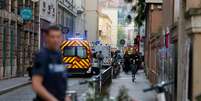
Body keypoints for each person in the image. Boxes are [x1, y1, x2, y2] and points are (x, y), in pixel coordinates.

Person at [32, 25, 71, 101]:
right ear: (46, 38)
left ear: (62, 38)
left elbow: (60, 83)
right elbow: (36, 85)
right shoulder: (42, 56)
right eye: (52, 37)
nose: (56, 40)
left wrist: (66, 97)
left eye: (58, 37)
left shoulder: (59, 55)